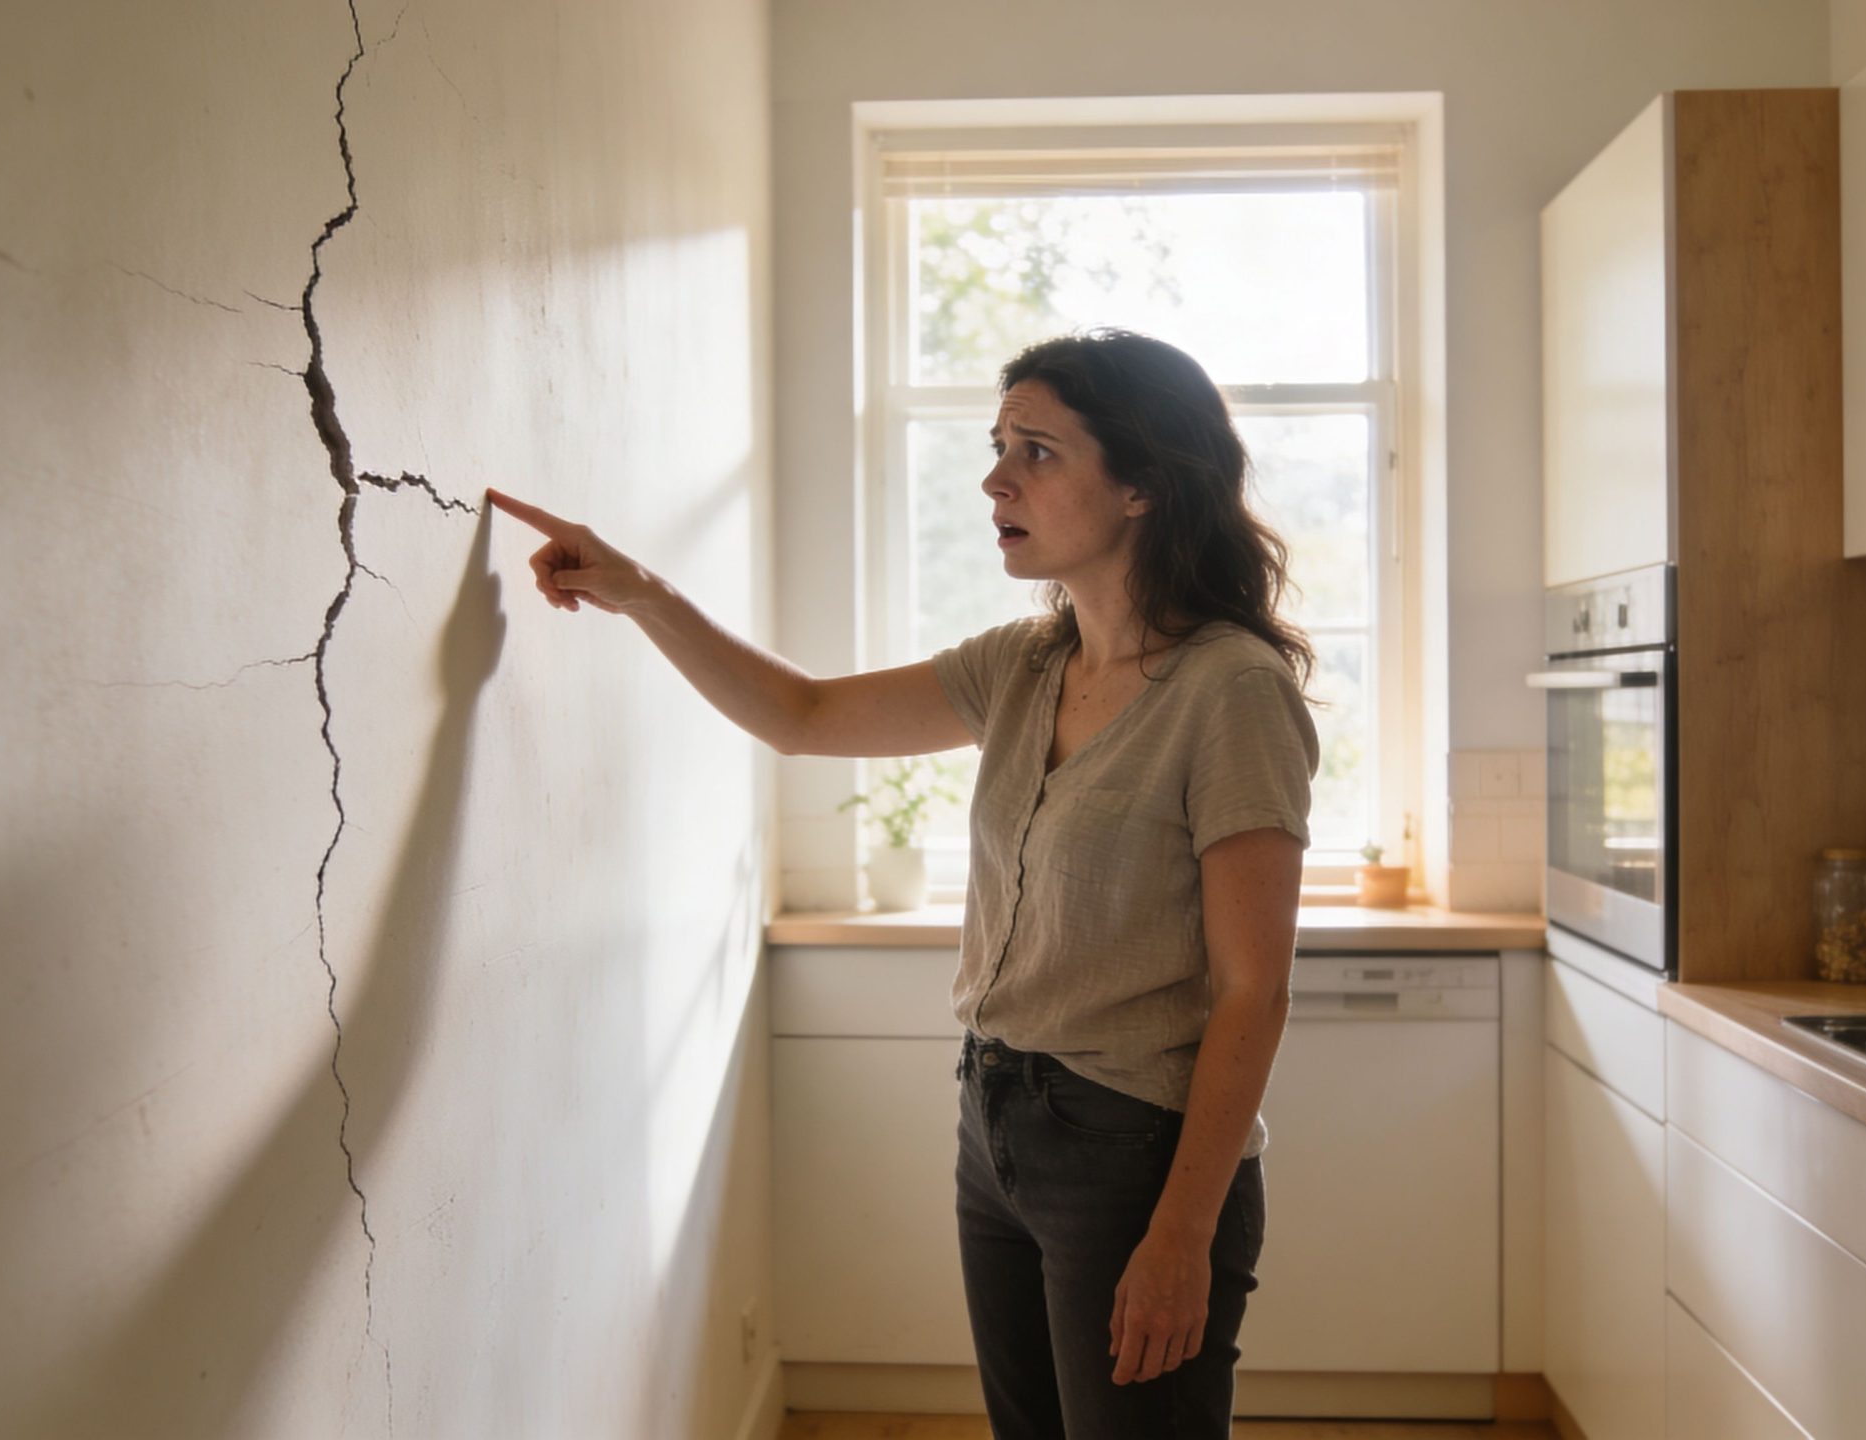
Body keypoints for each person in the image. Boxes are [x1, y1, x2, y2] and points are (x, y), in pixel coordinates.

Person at [487, 328, 1318, 1440]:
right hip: (995, 1121)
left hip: (1134, 1154)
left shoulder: (1231, 691)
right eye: (997, 444)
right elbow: (805, 716)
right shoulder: (1024, 664)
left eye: (1037, 451)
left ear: (1141, 488)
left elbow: (1253, 989)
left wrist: (1181, 1234)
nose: (995, 478)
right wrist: (641, 593)